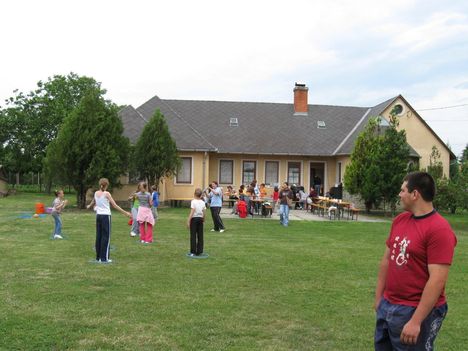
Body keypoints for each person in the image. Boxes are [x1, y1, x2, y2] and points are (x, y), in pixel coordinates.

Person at [374, 172, 457, 350]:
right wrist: (379, 299)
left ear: (415, 194)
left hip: (415, 311)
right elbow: (387, 260)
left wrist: (416, 321)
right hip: (388, 305)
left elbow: (437, 280)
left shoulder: (439, 229)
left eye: (403, 190)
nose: (399, 194)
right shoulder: (400, 220)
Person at [87, 178, 131, 263]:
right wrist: (125, 213)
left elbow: (93, 202)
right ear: (106, 185)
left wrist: (89, 206)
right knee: (106, 237)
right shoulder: (107, 194)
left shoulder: (96, 193)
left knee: (99, 236)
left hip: (98, 216)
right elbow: (114, 205)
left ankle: (98, 257)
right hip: (106, 216)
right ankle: (104, 258)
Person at [187, 188, 206, 256]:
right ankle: (199, 251)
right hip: (200, 219)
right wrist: (203, 219)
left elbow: (192, 212)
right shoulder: (203, 202)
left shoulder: (193, 201)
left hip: (194, 219)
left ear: (194, 194)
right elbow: (204, 212)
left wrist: (188, 221)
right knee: (200, 235)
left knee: (193, 235)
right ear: (201, 195)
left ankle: (193, 252)